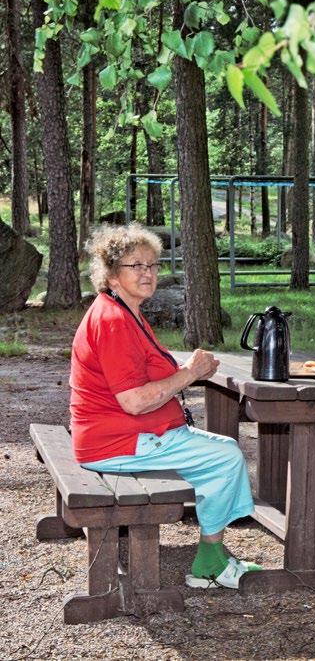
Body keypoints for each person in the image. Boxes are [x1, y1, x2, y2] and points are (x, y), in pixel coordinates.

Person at [70, 223, 258, 589]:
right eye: (135, 265)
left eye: (153, 265)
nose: (147, 273)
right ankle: (210, 561)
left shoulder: (125, 312)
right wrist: (189, 373)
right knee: (226, 457)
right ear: (110, 273)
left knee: (219, 452)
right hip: (115, 442)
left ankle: (214, 550)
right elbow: (135, 402)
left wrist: (187, 372)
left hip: (119, 436)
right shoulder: (112, 321)